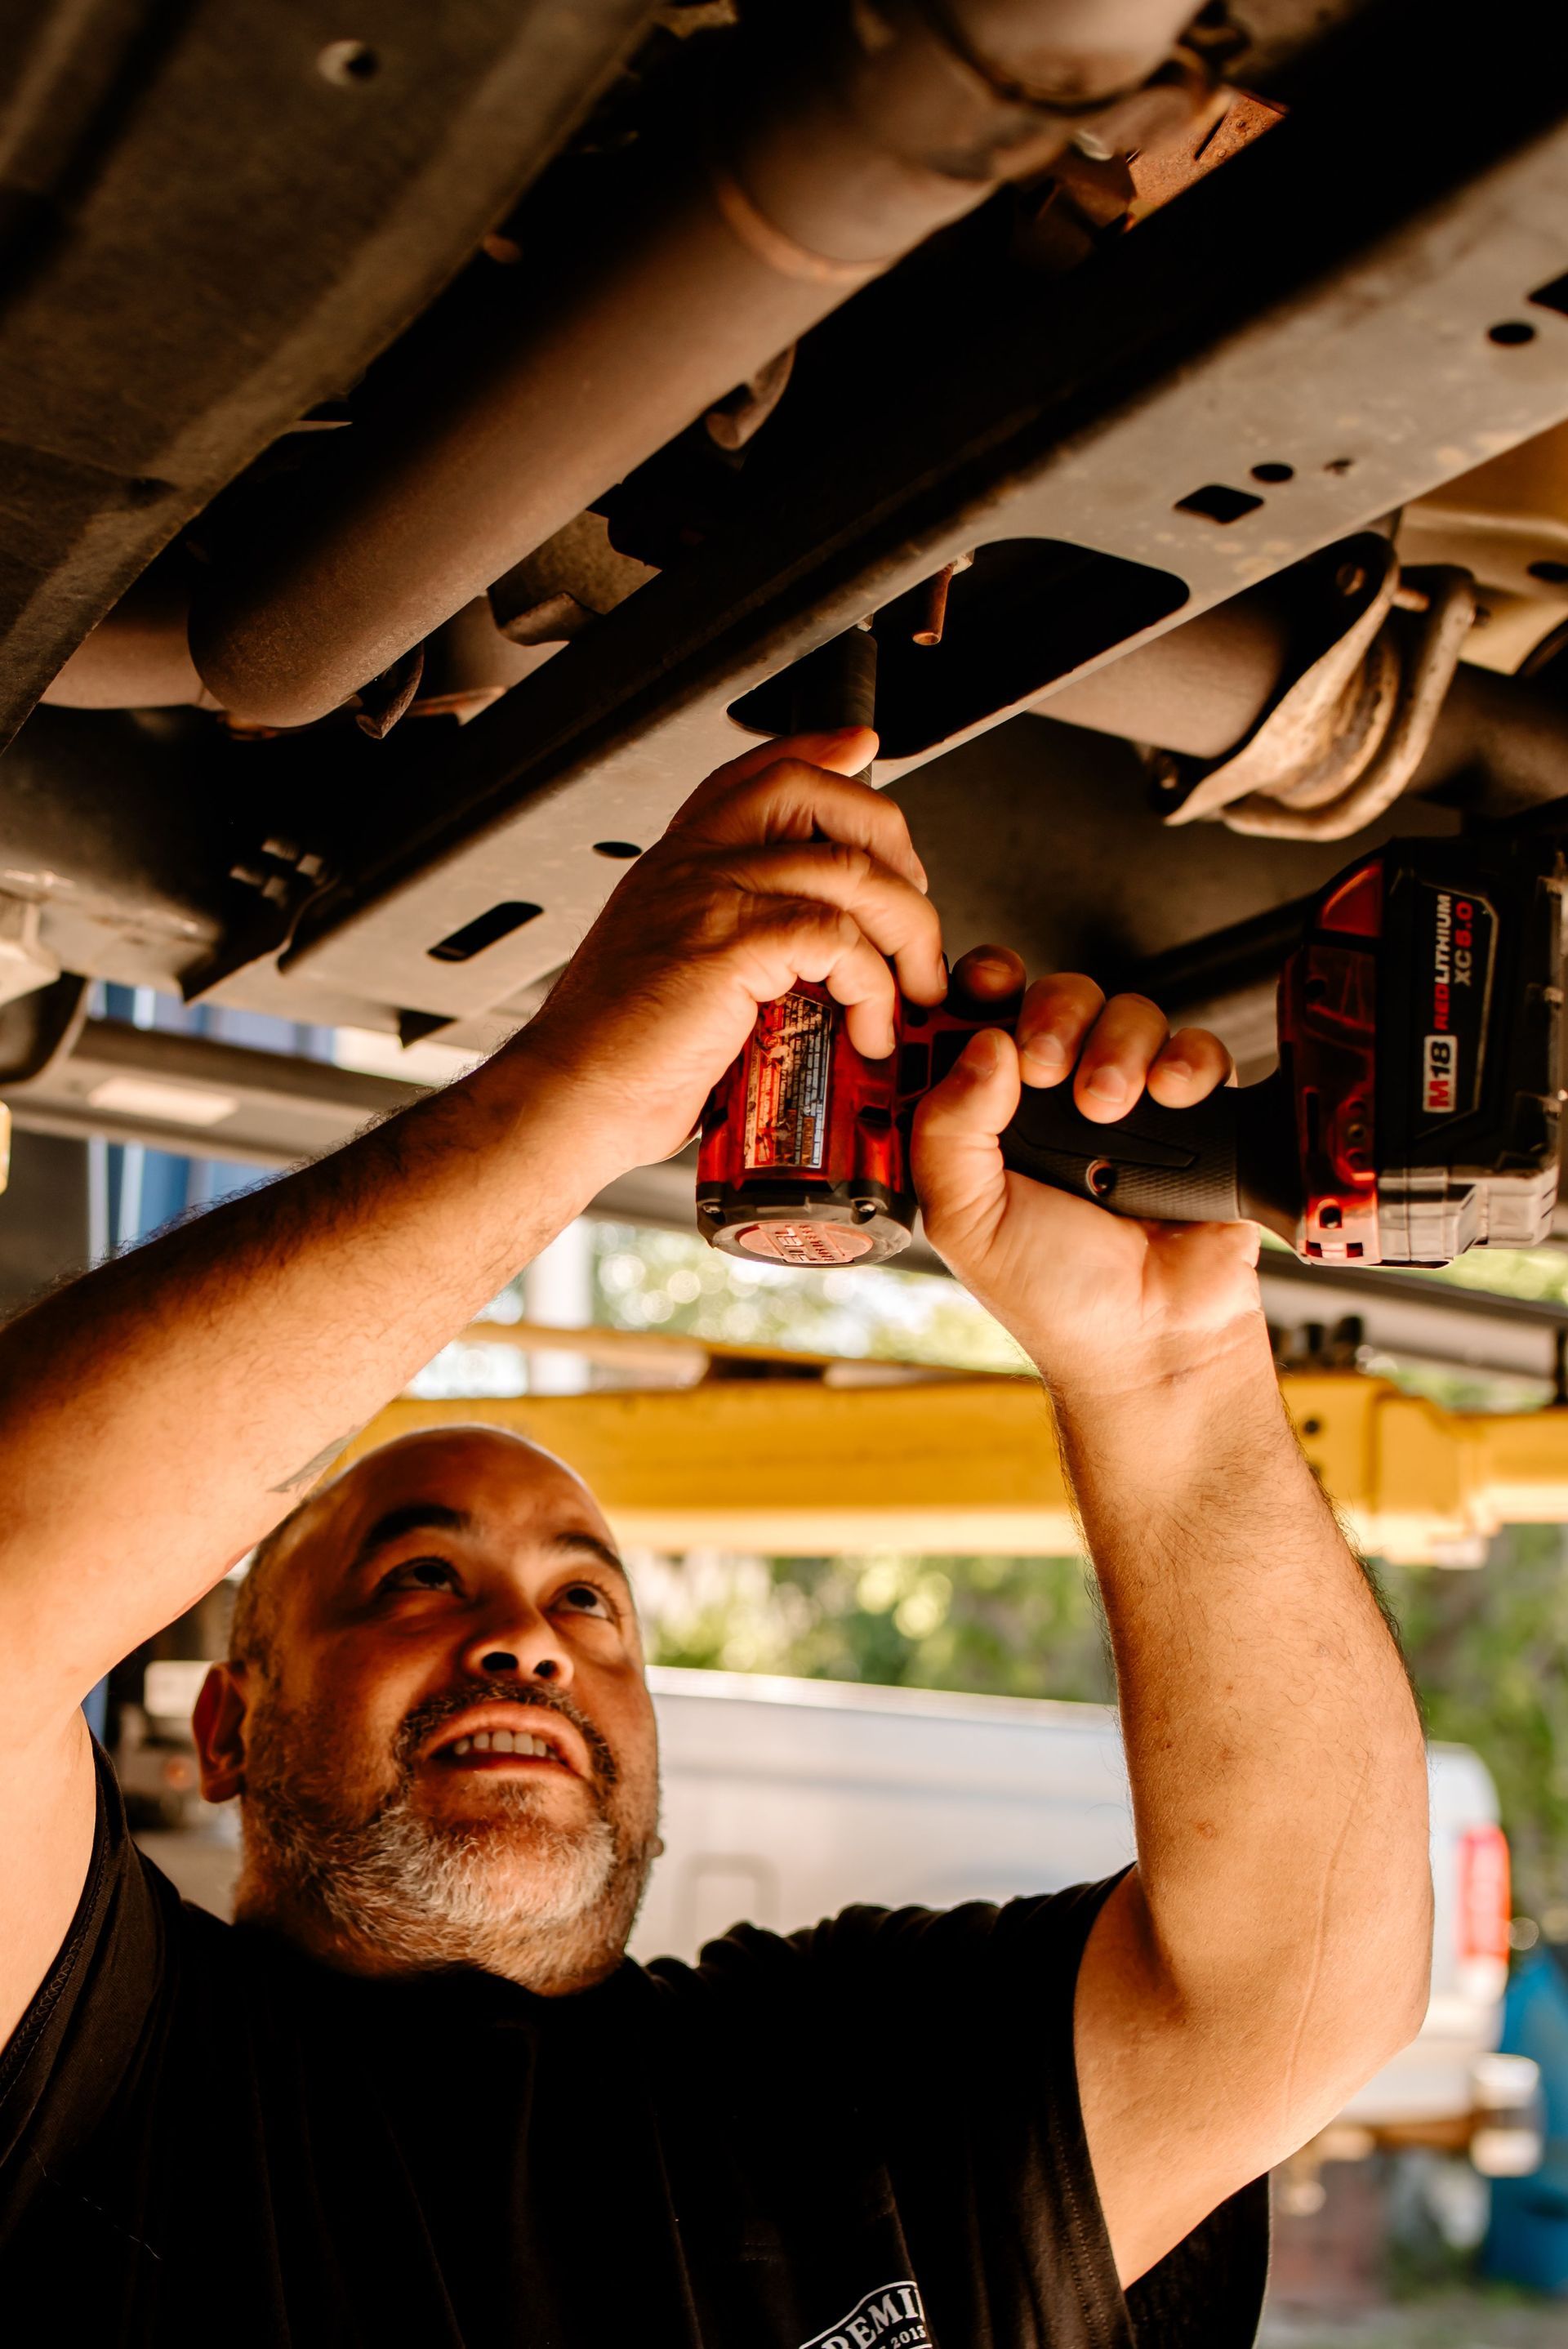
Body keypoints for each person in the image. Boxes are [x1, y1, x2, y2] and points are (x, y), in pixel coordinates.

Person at [0, 729, 1430, 2345]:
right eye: (416, 1574)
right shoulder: (92, 2075)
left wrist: (1168, 1373)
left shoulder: (831, 2087)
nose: (525, 1638)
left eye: (590, 1601)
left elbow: (1303, 1996)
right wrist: (568, 1100)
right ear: (227, 1724)